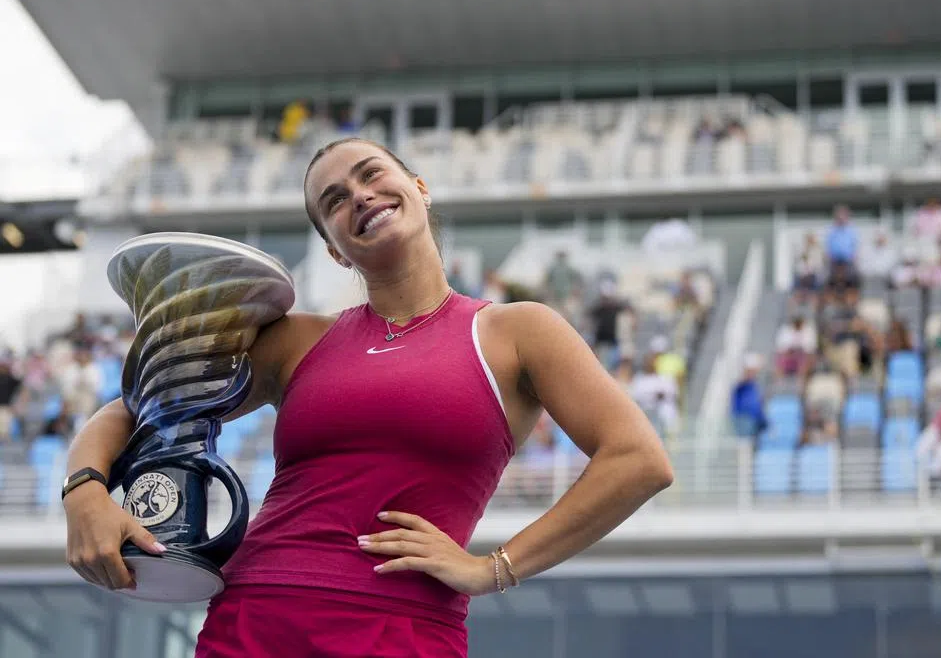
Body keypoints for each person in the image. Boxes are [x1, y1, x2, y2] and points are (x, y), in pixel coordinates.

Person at [63, 137, 673, 658]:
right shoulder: (299, 340)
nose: (358, 195)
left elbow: (638, 460)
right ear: (333, 248)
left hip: (404, 631)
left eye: (370, 173)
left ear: (419, 187)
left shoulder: (519, 331)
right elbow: (141, 405)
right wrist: (85, 490)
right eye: (333, 201)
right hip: (254, 618)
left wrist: (494, 569)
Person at [731, 354, 767, 444]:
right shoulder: (742, 384)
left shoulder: (754, 385)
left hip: (755, 419)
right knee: (745, 444)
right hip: (744, 418)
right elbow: (740, 382)